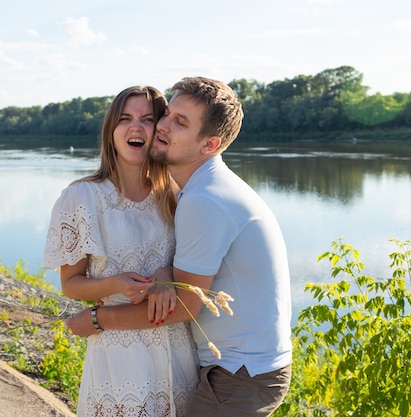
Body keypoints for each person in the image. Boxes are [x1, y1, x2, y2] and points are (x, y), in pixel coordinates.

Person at [65, 77, 292, 417]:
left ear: (209, 143)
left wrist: (99, 319)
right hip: (238, 368)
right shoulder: (199, 189)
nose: (162, 126)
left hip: (242, 373)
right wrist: (164, 272)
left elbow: (186, 306)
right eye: (168, 114)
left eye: (180, 123)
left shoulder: (205, 199)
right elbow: (191, 276)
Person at [43, 85, 199, 417]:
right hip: (117, 356)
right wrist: (115, 284)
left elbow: (187, 267)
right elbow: (71, 284)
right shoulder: (82, 198)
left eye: (147, 119)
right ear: (112, 130)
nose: (136, 128)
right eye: (125, 118)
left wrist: (167, 275)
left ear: (160, 131)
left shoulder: (176, 195)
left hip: (177, 351)